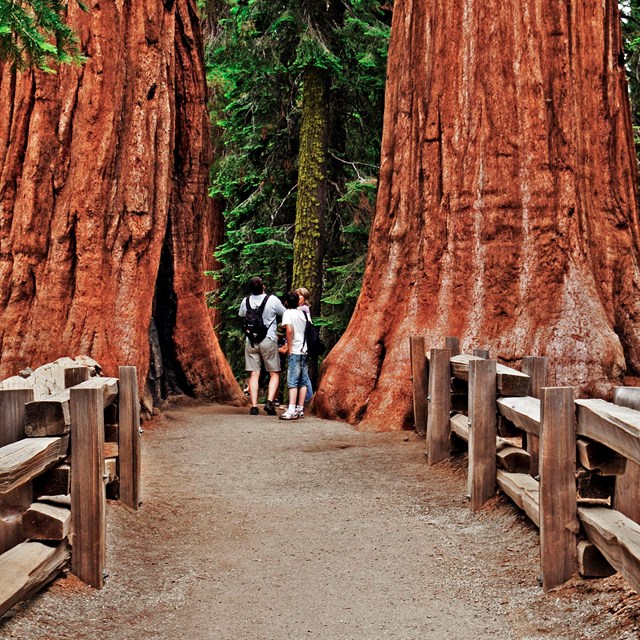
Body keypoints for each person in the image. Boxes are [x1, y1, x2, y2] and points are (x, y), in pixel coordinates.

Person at [238, 276, 286, 415]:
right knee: (274, 372)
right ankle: (270, 402)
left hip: (251, 341)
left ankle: (253, 406)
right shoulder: (272, 300)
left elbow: (242, 315)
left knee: (254, 374)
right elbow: (284, 314)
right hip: (269, 339)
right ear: (263, 286)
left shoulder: (245, 301)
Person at [279, 290, 309, 420]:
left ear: (286, 302)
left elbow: (289, 330)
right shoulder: (304, 313)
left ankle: (291, 409)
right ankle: (300, 409)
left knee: (292, 380)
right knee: (303, 381)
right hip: (305, 349)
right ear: (298, 302)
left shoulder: (287, 313)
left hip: (295, 350)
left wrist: (289, 348)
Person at [295, 287, 314, 406]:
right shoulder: (301, 309)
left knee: (304, 375)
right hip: (301, 345)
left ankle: (308, 399)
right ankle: (306, 399)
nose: (298, 298)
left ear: (305, 298)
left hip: (302, 345)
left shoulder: (303, 309)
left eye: (300, 295)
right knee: (303, 374)